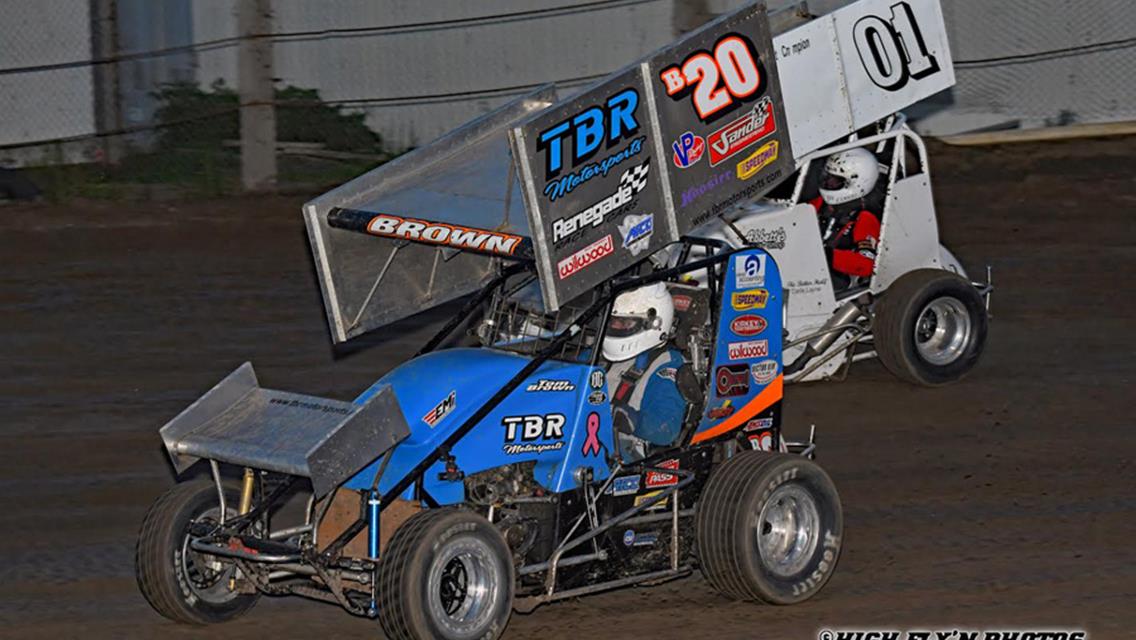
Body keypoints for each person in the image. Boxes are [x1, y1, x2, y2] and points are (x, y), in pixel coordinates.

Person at [602, 283, 696, 460]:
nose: (617, 326)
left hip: (628, 453)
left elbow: (665, 429)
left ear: (655, 324)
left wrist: (627, 418)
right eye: (614, 321)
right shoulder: (604, 355)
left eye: (625, 322)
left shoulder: (668, 364)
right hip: (591, 439)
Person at [809, 147, 883, 290]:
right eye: (827, 177)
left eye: (835, 180)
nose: (829, 183)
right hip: (810, 270)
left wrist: (826, 256)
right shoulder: (820, 204)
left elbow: (867, 264)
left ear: (857, 183)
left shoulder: (865, 218)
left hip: (838, 286)